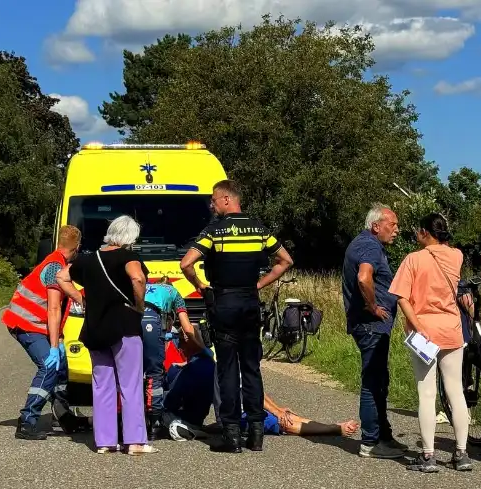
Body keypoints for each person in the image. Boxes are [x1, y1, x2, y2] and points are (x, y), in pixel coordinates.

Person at [180, 179, 293, 453]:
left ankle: (231, 434)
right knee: (252, 368)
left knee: (228, 369)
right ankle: (256, 433)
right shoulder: (258, 229)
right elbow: (286, 261)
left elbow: (186, 263)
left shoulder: (214, 231)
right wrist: (259, 285)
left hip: (224, 303)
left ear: (227, 200)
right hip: (249, 304)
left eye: (214, 199)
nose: (212, 204)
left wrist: (200, 285)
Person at [57, 215, 155, 455]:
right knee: (130, 385)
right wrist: (139, 305)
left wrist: (80, 299)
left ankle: (105, 442)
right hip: (124, 328)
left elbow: (61, 277)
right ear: (130, 238)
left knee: (102, 386)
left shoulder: (89, 259)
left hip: (95, 328)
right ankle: (134, 442)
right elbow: (137, 277)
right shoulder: (129, 256)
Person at [162, 328, 359, 440]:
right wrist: (278, 412)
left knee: (288, 419)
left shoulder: (223, 360)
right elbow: (254, 393)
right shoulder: (231, 362)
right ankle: (334, 428)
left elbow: (256, 393)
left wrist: (278, 409)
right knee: (288, 423)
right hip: (240, 414)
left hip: (242, 412)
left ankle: (333, 427)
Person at [388, 213, 473, 473]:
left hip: (423, 331)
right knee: (455, 390)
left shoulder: (413, 259)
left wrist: (418, 325)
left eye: (417, 230)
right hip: (452, 329)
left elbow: (402, 298)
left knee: (426, 393)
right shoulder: (456, 256)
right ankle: (461, 453)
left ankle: (428, 455)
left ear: (425, 232)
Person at [3, 225, 85, 440]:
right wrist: (54, 346)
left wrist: (57, 340)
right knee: (48, 368)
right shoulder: (54, 267)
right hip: (26, 325)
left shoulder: (56, 262)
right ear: (77, 247)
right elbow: (54, 308)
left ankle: (63, 416)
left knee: (62, 366)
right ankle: (28, 421)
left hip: (35, 324)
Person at [341, 203, 407, 459]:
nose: (397, 230)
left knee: (380, 380)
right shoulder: (368, 246)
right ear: (376, 226)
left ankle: (383, 436)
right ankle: (370, 441)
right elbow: (363, 278)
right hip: (370, 326)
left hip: (372, 326)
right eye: (393, 225)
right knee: (372, 382)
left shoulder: (365, 243)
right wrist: (373, 307)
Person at [141, 278, 195, 437]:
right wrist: (199, 347)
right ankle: (154, 423)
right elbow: (187, 328)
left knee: (131, 372)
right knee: (154, 373)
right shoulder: (174, 293)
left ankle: (128, 419)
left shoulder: (146, 286)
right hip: (150, 319)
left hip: (129, 318)